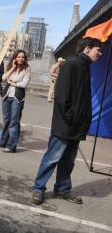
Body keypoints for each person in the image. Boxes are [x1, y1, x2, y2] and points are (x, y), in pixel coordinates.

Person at [31, 37, 102, 206]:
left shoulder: (84, 66)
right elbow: (62, 97)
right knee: (52, 158)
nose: (100, 53)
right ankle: (38, 189)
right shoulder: (72, 65)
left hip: (76, 125)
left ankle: (62, 189)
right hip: (66, 124)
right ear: (87, 49)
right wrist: (72, 118)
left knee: (68, 160)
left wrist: (82, 121)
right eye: (97, 50)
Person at [0, 50, 31, 152]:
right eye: (19, 57)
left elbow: (24, 84)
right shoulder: (11, 67)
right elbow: (3, 78)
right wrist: (12, 68)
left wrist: (12, 83)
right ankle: (4, 141)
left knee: (14, 121)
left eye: (23, 57)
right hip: (7, 96)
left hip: (17, 97)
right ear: (15, 58)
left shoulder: (27, 69)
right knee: (6, 120)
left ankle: (11, 145)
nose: (21, 59)